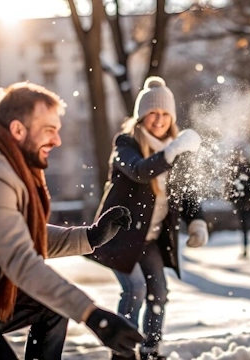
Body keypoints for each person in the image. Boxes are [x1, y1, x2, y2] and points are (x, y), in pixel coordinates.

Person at [0, 82, 144, 360]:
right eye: (49, 130)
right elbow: (21, 261)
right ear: (18, 130)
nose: (57, 140)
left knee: (51, 308)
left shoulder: (1, 166)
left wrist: (89, 237)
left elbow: (19, 235)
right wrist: (91, 314)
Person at [86, 77, 208, 360]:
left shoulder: (177, 151)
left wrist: (197, 222)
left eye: (166, 114)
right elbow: (140, 171)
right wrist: (171, 151)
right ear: (142, 115)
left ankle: (151, 351)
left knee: (159, 293)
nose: (159, 119)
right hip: (119, 236)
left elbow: (187, 192)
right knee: (136, 290)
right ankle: (123, 353)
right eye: (153, 112)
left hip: (150, 239)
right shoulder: (126, 144)